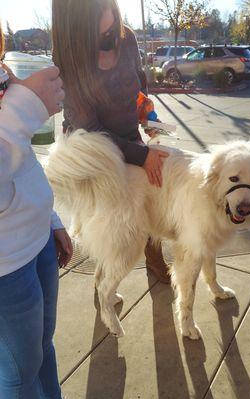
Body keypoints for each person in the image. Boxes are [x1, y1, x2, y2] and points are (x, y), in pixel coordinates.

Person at [52, 0, 171, 283]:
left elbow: (138, 82)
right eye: (99, 32)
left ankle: (155, 258)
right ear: (76, 30)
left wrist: (145, 110)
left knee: (149, 199)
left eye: (112, 25)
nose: (110, 36)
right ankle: (104, 278)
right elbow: (91, 129)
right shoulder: (68, 58)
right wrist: (142, 156)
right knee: (114, 221)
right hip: (93, 153)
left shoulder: (126, 37)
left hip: (128, 136)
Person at [0, 23, 73, 399]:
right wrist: (25, 108)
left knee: (43, 349)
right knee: (18, 373)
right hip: (5, 266)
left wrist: (49, 217)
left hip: (36, 240)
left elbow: (20, 158)